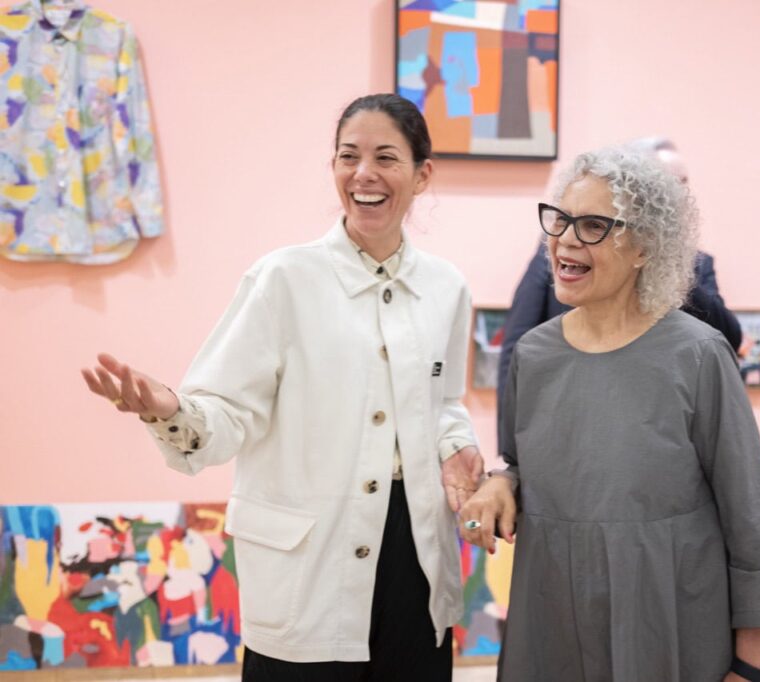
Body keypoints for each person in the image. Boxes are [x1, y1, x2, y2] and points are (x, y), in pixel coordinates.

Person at [80, 94, 483, 682]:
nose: (363, 173)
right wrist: (168, 409)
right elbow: (224, 413)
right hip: (311, 559)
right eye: (348, 156)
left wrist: (456, 446)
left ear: (423, 175)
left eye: (385, 157)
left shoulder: (447, 286)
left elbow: (444, 404)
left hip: (415, 553)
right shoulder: (283, 279)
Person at [460, 145, 760, 682]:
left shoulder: (699, 355)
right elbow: (534, 467)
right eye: (561, 220)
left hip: (670, 619)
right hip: (554, 616)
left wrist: (751, 664)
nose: (565, 238)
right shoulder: (534, 355)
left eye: (592, 225)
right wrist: (503, 482)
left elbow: (749, 515)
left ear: (644, 248)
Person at [497, 138, 741, 416]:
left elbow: (729, 335)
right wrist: (511, 437)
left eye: (681, 183)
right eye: (665, 182)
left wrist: (671, 266)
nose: (674, 192)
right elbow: (518, 338)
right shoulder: (559, 249)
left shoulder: (696, 267)